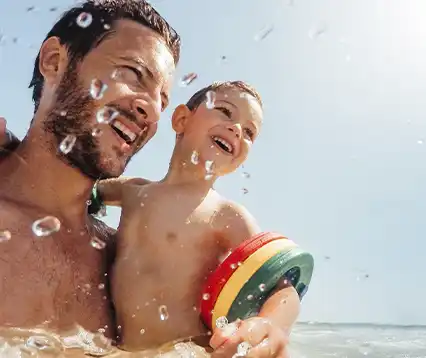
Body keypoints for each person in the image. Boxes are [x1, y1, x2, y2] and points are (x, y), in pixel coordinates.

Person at [0, 1, 290, 357]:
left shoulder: (115, 253)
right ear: (54, 61)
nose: (151, 110)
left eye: (162, 100)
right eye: (133, 73)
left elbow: (274, 283)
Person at [95, 81, 298, 356]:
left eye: (249, 132)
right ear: (181, 119)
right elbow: (76, 186)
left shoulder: (226, 215)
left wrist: (271, 324)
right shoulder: (132, 191)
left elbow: (282, 287)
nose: (237, 129)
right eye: (225, 112)